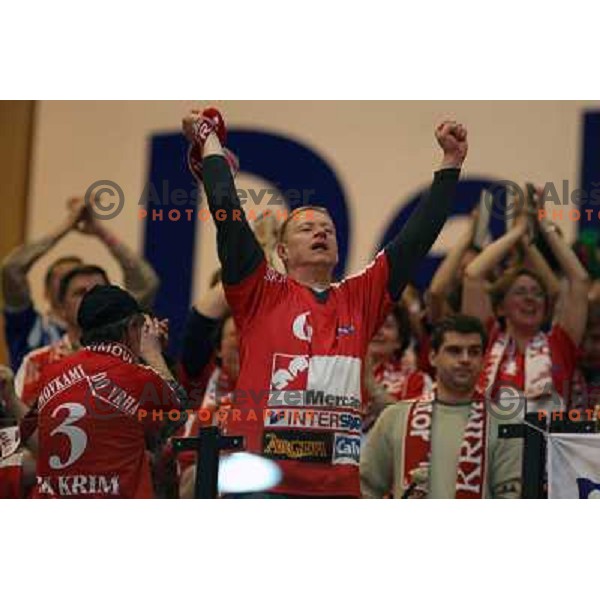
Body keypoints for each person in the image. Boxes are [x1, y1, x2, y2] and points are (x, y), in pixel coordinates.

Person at [181, 107, 467, 497]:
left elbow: (418, 237)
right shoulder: (260, 291)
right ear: (281, 250)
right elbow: (227, 214)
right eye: (306, 228)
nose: (320, 232)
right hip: (260, 487)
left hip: (337, 489)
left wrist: (451, 163)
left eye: (327, 229)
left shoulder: (360, 297)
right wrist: (207, 137)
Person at [33, 285, 186, 498]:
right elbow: (178, 414)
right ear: (133, 327)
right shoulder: (138, 377)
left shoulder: (50, 372)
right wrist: (153, 355)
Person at [360, 315, 523, 499]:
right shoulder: (395, 417)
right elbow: (365, 488)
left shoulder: (505, 425)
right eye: (454, 351)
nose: (465, 359)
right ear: (432, 357)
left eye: (474, 352)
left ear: (484, 360)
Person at [462, 198, 590, 416]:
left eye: (538, 294)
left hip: (546, 448)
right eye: (520, 292)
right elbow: (473, 274)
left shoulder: (560, 343)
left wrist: (543, 225)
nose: (530, 299)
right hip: (491, 446)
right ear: (501, 308)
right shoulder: (486, 339)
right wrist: (518, 231)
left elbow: (579, 279)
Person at [1, 196, 160, 371]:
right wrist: (67, 226)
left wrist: (100, 231)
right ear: (48, 293)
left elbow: (146, 283)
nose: (88, 295)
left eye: (92, 288)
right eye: (62, 277)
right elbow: (11, 270)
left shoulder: (116, 327)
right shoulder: (29, 325)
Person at [15, 265, 111, 410]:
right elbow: (23, 427)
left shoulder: (130, 358)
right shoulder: (36, 362)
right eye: (80, 293)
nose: (91, 299)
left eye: (99, 292)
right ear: (62, 307)